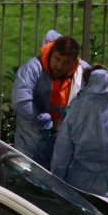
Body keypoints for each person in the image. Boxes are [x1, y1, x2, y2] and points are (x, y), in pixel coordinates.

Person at [50, 65, 108, 204]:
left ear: (86, 83)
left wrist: (56, 185)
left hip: (81, 193)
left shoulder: (74, 111)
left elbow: (61, 157)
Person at [11, 30, 88, 168]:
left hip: (66, 147)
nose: (59, 65)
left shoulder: (82, 73)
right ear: (51, 53)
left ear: (75, 62)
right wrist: (40, 119)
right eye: (57, 59)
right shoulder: (33, 68)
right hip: (31, 145)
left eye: (66, 63)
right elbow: (21, 100)